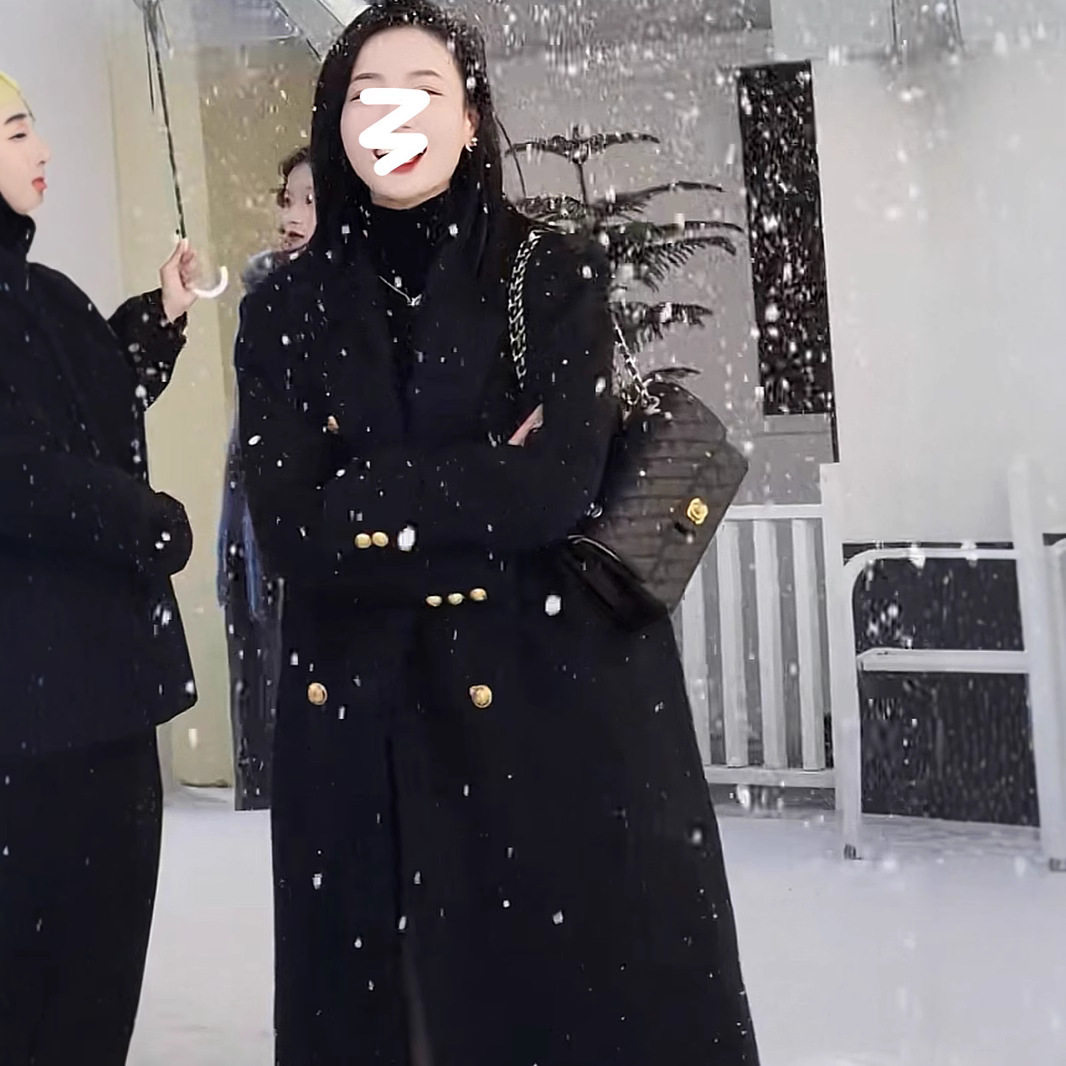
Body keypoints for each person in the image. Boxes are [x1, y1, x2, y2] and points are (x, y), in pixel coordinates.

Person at [235, 3, 760, 1063]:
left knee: (558, 1009)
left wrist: (363, 492)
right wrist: (477, 479)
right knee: (381, 1017)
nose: (395, 115)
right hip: (361, 726)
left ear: (471, 119)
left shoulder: (548, 274)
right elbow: (289, 529)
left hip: (542, 707)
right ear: (337, 121)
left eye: (424, 90)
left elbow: (553, 490)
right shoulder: (285, 309)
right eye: (367, 93)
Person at [0, 70, 201, 1063]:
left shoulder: (34, 293)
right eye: (14, 131)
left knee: (80, 981)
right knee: (64, 986)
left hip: (81, 701)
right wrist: (148, 521)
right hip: (49, 713)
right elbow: (24, 471)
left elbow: (86, 401)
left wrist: (157, 317)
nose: (41, 150)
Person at [219, 146, 316, 811]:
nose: (292, 216)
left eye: (311, 201)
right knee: (266, 736)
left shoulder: (356, 300)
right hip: (254, 537)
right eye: (288, 200)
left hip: (323, 538)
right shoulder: (264, 299)